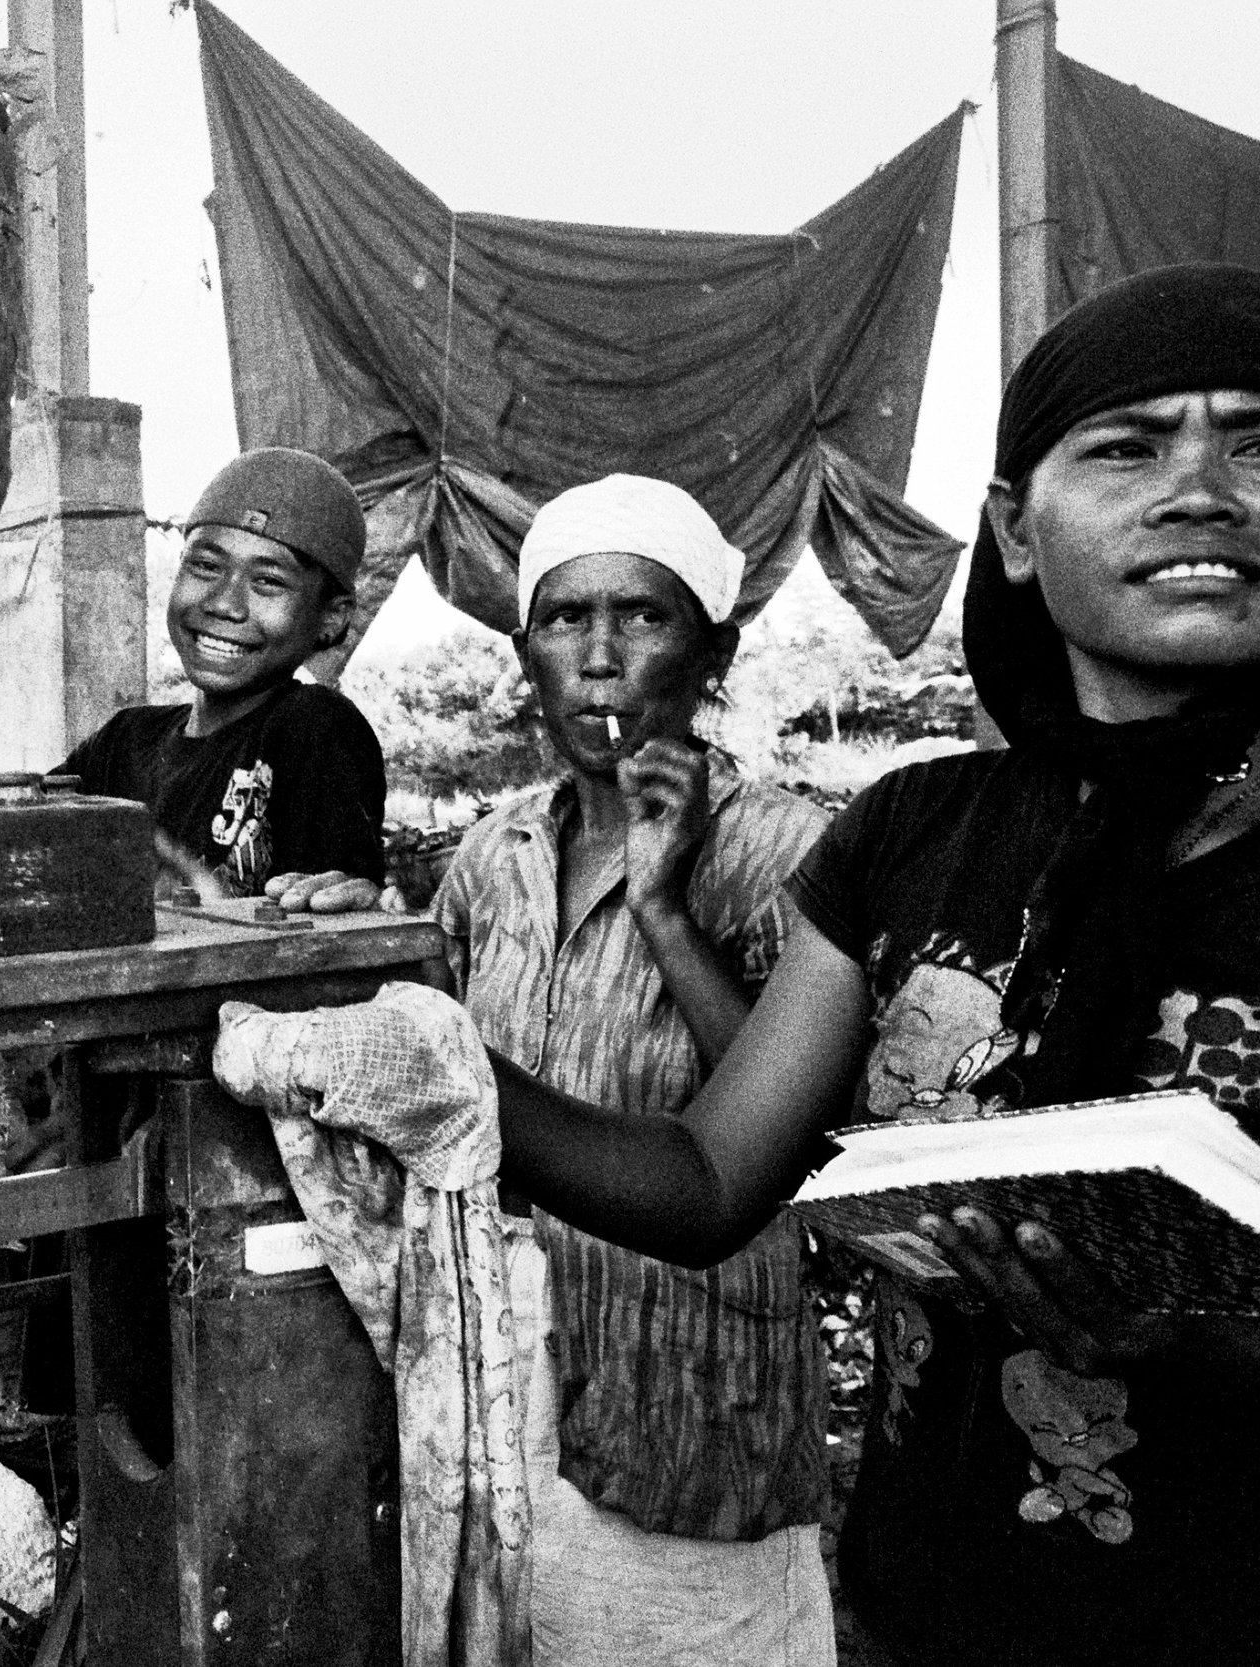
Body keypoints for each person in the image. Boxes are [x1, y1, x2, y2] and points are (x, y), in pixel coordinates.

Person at [486, 263, 1260, 1665]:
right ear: (1012, 532)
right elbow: (705, 1181)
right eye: (1125, 445)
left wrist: (1192, 1338)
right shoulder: (913, 831)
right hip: (924, 1610)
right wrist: (439, 1065)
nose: (1201, 489)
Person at [430, 474, 832, 1663]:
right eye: (564, 620)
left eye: (643, 617)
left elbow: (790, 1144)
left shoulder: (788, 850)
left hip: (688, 1397)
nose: (598, 657)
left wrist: (664, 903)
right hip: (505, 1394)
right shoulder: (491, 855)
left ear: (716, 650)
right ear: (526, 653)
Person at [57, 447, 389, 910]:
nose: (224, 604)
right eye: (206, 566)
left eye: (268, 582)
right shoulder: (122, 743)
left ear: (331, 617)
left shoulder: (314, 728)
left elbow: (325, 932)